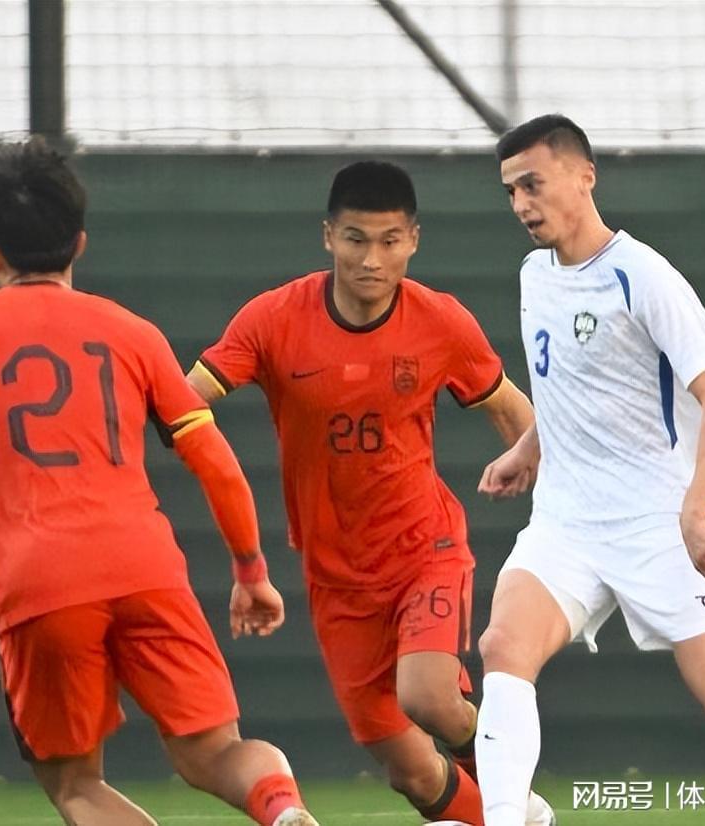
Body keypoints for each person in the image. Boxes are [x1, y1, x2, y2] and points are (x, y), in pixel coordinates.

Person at [0, 137, 318, 826]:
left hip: (41, 581)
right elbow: (216, 462)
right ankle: (282, 809)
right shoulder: (132, 332)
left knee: (74, 783)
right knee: (216, 752)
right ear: (80, 243)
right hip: (146, 566)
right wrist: (251, 571)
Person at [475, 113, 705, 826]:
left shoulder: (642, 276)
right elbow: (571, 387)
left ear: (584, 176)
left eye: (533, 184)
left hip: (660, 522)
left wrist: (695, 511)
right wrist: (528, 450)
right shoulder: (533, 276)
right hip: (568, 521)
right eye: (510, 191)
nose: (521, 203)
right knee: (503, 646)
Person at [188, 161, 546, 825]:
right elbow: (188, 400)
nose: (371, 260)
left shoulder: (440, 321)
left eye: (389, 241)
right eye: (355, 239)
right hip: (336, 575)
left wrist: (556, 492)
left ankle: (509, 791)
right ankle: (521, 814)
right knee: (410, 772)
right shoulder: (273, 319)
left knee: (429, 698)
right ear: (329, 236)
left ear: (413, 240)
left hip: (424, 548)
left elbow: (510, 409)